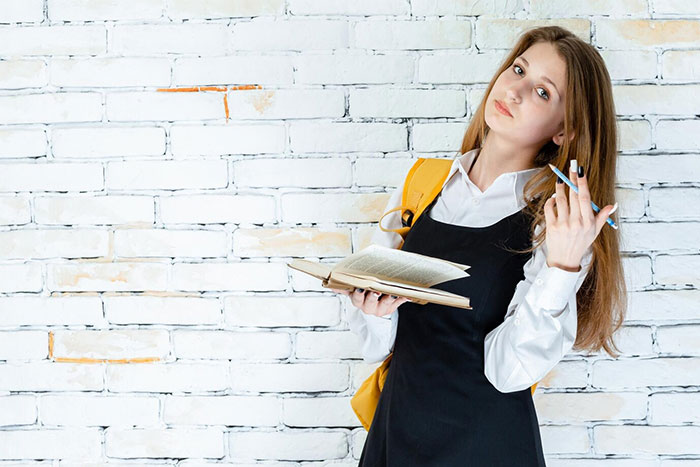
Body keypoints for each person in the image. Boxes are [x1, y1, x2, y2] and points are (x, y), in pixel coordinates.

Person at [332, 25, 628, 466]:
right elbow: (377, 347)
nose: (515, 90)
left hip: (487, 446)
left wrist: (564, 267)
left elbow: (507, 372)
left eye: (543, 93)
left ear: (564, 132)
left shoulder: (559, 224)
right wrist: (372, 309)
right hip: (396, 433)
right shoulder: (421, 184)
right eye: (518, 70)